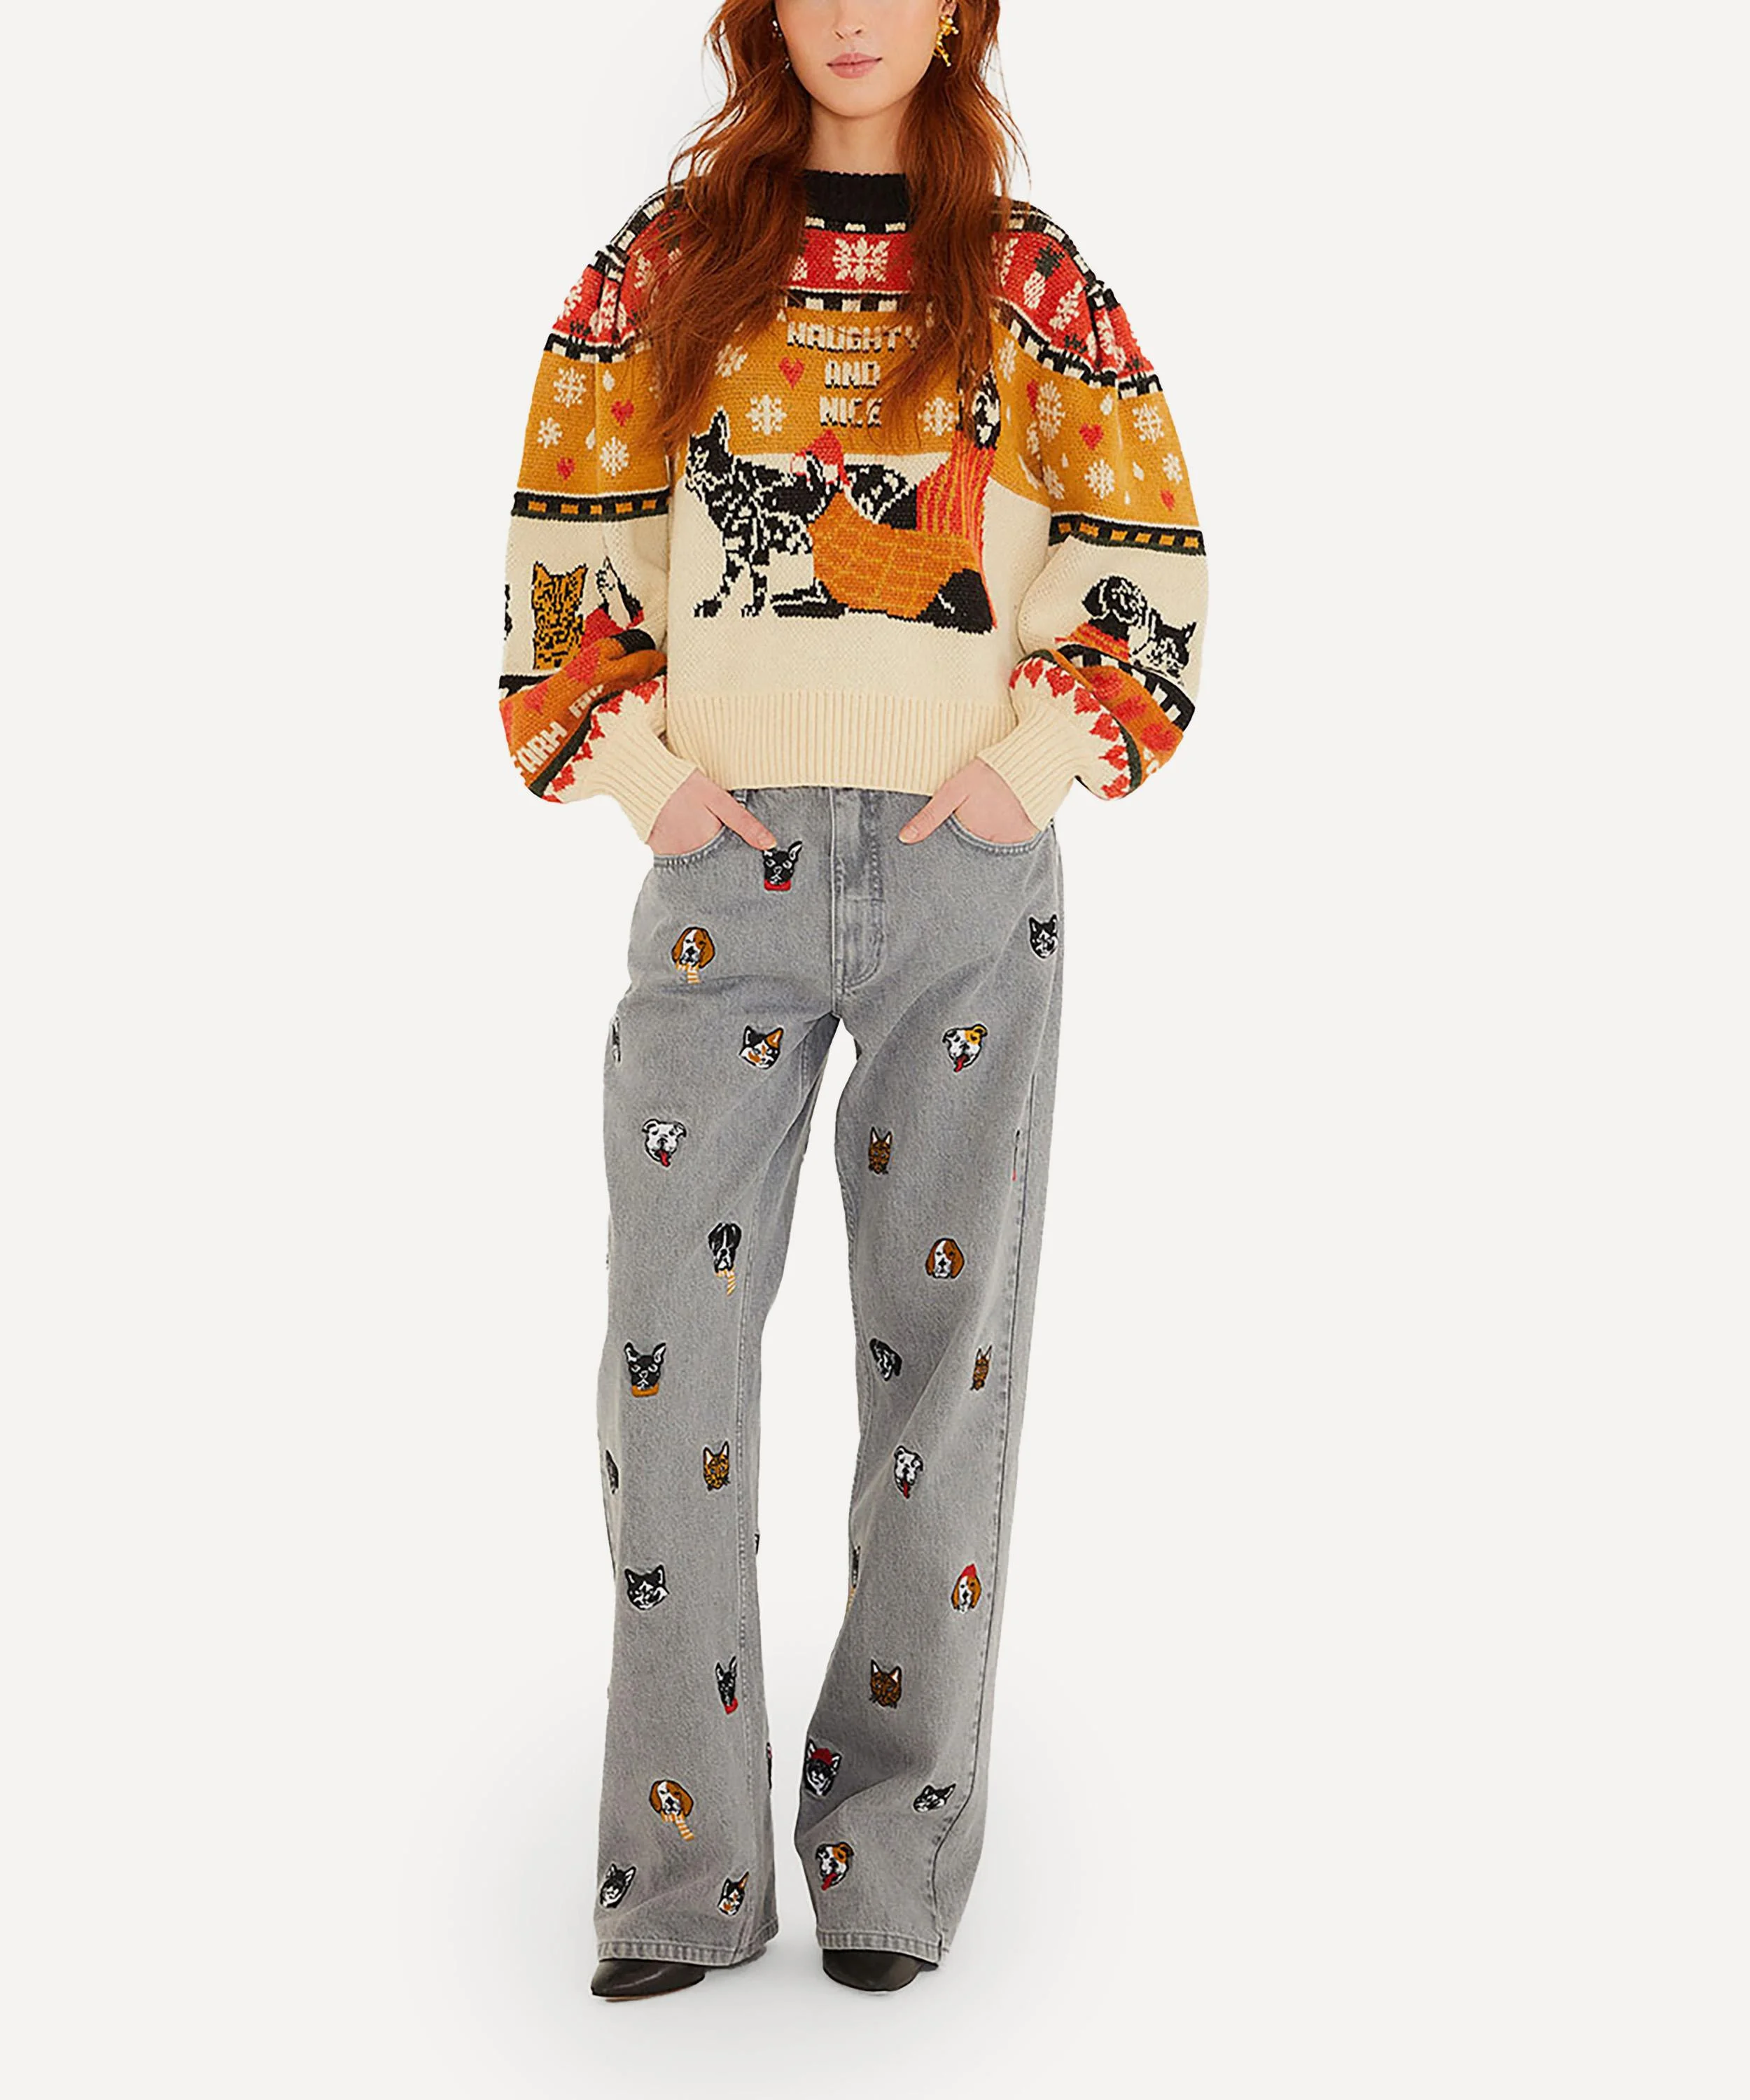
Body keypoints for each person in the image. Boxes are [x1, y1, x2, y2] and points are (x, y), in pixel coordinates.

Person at [496, 0, 1208, 2000]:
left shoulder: (1030, 279)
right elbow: (563, 545)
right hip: (719, 878)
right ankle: (681, 1877)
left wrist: (1027, 772)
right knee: (671, 1361)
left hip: (963, 872)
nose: (858, 10)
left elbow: (1146, 552)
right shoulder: (662, 264)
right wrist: (644, 778)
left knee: (943, 1367)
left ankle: (888, 1859)